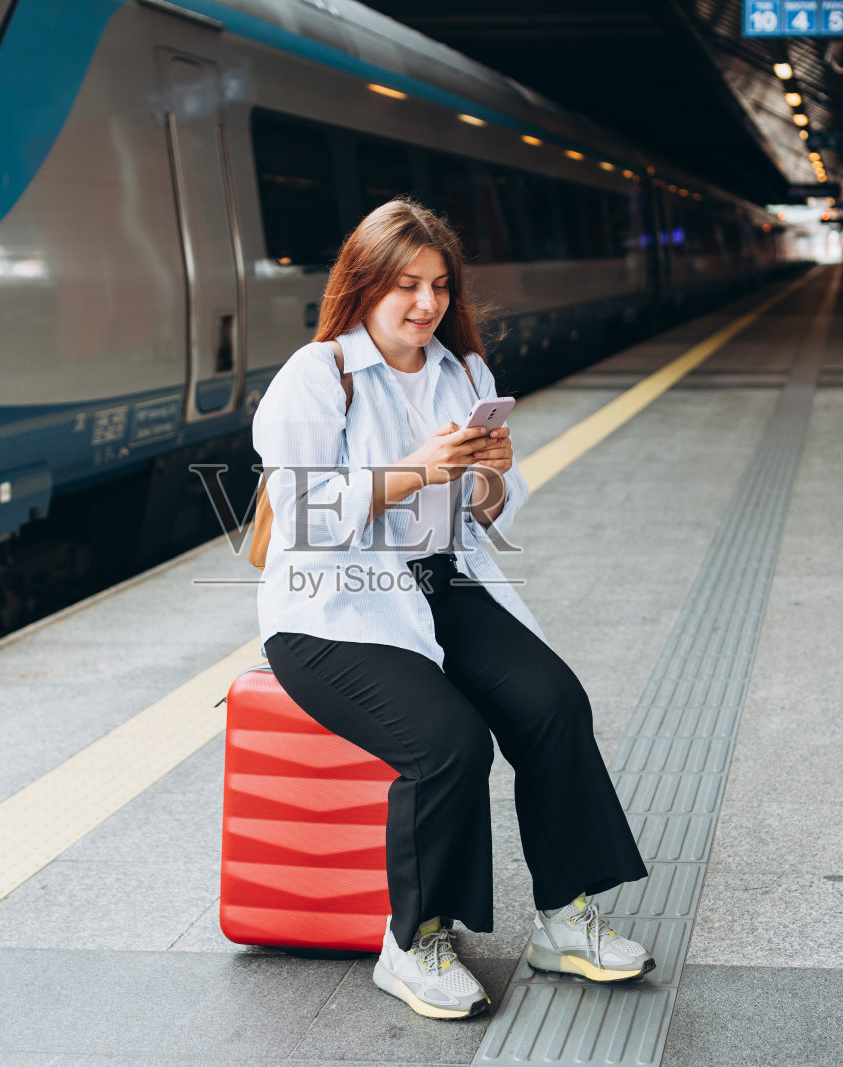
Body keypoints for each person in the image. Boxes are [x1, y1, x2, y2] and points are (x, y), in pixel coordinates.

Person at [252, 198, 651, 1020]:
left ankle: (564, 918)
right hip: (330, 608)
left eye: (438, 285)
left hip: (440, 582)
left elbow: (489, 512)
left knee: (552, 705)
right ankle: (415, 942)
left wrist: (492, 472)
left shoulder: (462, 372)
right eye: (405, 286)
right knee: (448, 743)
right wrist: (415, 471)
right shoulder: (316, 374)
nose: (426, 304)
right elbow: (296, 519)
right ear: (362, 285)